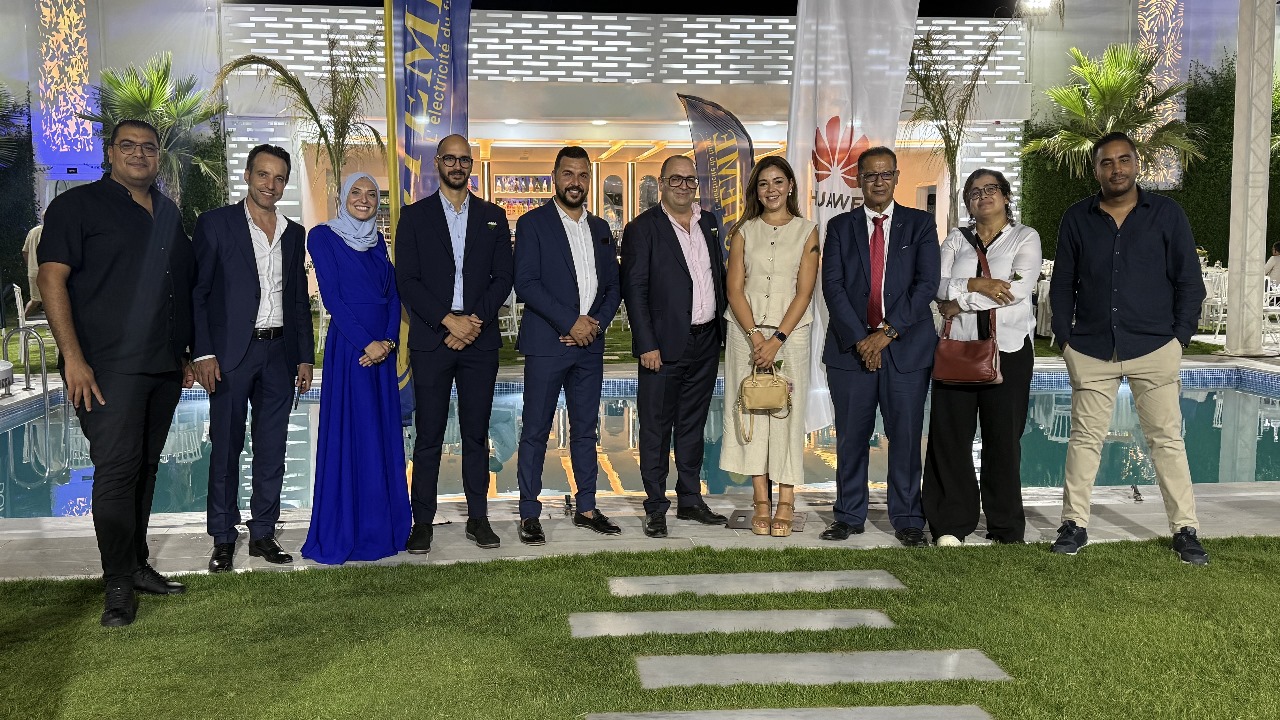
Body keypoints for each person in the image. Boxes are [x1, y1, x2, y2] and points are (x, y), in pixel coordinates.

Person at [37, 119, 195, 626]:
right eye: (128, 146)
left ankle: (138, 564)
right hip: (107, 367)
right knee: (116, 472)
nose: (139, 154)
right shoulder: (76, 207)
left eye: (148, 147)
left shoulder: (167, 212)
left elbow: (177, 287)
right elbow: (51, 280)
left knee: (145, 469)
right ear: (110, 153)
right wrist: (73, 359)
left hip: (162, 366)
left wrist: (185, 353)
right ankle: (118, 584)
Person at [1049, 131, 1209, 565]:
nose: (1116, 169)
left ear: (1137, 164)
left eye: (1123, 160)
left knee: (1166, 440)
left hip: (1154, 345)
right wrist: (1065, 339)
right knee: (1084, 440)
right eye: (1106, 162)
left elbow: (1189, 281)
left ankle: (1185, 529)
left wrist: (1179, 338)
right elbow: (1062, 284)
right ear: (1095, 170)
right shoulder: (1076, 218)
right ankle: (1074, 524)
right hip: (1091, 348)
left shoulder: (1167, 214)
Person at [191, 144, 315, 573]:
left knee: (272, 448)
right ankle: (223, 538)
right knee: (226, 447)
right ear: (247, 175)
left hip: (279, 354)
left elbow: (297, 300)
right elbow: (198, 293)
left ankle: (263, 533)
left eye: (279, 178)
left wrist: (304, 357)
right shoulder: (215, 224)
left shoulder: (293, 233)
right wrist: (203, 352)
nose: (270, 184)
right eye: (263, 174)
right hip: (230, 355)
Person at [395, 134, 514, 553]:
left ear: (471, 166)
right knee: (428, 436)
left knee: (476, 435)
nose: (457, 165)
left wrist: (473, 321)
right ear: (437, 164)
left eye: (464, 159)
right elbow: (406, 280)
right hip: (433, 338)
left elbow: (503, 277)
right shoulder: (414, 217)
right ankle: (422, 522)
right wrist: (448, 320)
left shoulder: (494, 216)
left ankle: (478, 518)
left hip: (479, 340)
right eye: (450, 158)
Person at [820, 146, 940, 547]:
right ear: (858, 179)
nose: (878, 181)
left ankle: (907, 518)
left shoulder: (920, 224)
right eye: (870, 175)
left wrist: (885, 334)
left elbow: (926, 284)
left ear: (896, 177)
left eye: (886, 174)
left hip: (905, 350)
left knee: (904, 437)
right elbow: (833, 287)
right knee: (850, 437)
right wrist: (862, 339)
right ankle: (848, 515)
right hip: (851, 350)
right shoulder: (839, 227)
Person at [922, 169, 1040, 546]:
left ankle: (1005, 527)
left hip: (1008, 352)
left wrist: (961, 303)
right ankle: (951, 525)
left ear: (1005, 196)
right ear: (968, 203)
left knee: (1002, 441)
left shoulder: (1025, 237)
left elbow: (1017, 289)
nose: (983, 196)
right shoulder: (956, 239)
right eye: (974, 192)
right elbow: (935, 283)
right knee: (950, 439)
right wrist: (975, 284)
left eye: (991, 189)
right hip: (957, 351)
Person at [513, 145, 621, 545]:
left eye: (582, 175)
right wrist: (569, 322)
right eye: (568, 174)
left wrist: (594, 324)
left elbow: (613, 286)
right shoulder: (532, 224)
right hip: (548, 343)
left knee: (585, 430)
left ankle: (587, 507)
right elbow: (526, 283)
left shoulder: (601, 228)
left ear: (589, 180)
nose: (575, 182)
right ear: (554, 177)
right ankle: (529, 512)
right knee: (536, 430)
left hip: (589, 345)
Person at [300, 173, 411, 564]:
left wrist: (388, 342)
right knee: (354, 433)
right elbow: (332, 298)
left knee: (380, 435)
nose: (364, 200)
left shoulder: (378, 240)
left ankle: (382, 526)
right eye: (356, 193)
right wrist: (368, 343)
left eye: (371, 195)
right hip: (352, 350)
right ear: (343, 197)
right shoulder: (322, 236)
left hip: (382, 350)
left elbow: (393, 296)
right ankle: (349, 528)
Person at [620, 154, 729, 539]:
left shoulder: (709, 223)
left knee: (692, 425)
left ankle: (690, 499)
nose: (684, 186)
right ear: (662, 183)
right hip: (662, 348)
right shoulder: (642, 228)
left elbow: (717, 276)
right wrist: (646, 344)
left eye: (690, 180)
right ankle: (655, 506)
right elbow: (634, 290)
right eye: (676, 179)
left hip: (705, 341)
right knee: (655, 428)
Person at [717, 156, 819, 537]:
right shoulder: (743, 231)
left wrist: (776, 340)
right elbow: (734, 290)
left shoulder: (808, 232)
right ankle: (761, 500)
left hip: (790, 337)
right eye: (763, 183)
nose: (771, 189)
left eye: (778, 181)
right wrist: (756, 337)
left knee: (787, 415)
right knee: (753, 412)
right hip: (746, 336)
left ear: (790, 185)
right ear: (755, 191)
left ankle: (786, 500)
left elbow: (804, 292)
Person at [22, 221, 43, 316]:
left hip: (33, 271)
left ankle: (22, 319)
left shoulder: (33, 231)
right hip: (48, 270)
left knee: (35, 299)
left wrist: (30, 265)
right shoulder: (52, 231)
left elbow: (25, 251)